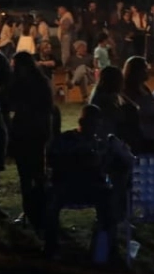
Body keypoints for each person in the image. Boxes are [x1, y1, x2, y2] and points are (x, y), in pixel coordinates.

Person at [44, 104, 134, 261]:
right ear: (81, 121)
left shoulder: (101, 144)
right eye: (90, 123)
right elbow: (52, 159)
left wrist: (118, 152)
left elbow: (125, 164)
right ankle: (50, 246)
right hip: (67, 186)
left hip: (93, 188)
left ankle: (107, 246)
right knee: (50, 200)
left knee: (109, 199)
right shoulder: (67, 140)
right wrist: (76, 159)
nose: (93, 127)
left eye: (96, 124)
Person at [8, 51, 58, 228]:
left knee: (27, 175)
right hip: (37, 131)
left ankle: (31, 210)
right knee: (36, 173)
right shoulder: (41, 82)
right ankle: (38, 209)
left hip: (27, 131)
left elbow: (10, 102)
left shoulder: (23, 83)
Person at [119, 56, 154, 154]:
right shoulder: (128, 91)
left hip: (152, 135)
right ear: (136, 71)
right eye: (145, 68)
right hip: (141, 138)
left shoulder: (144, 87)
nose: (148, 71)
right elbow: (133, 117)